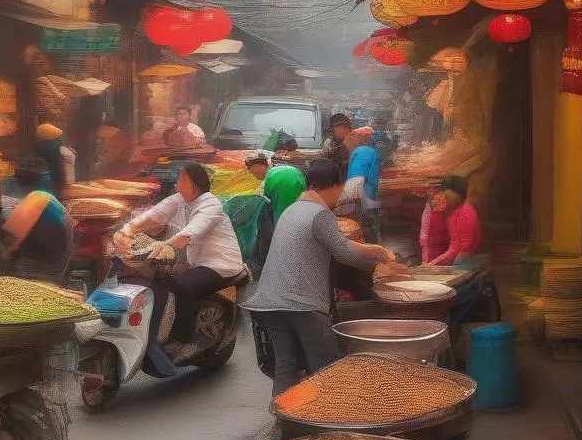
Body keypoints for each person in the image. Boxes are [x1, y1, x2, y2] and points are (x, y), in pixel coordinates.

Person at [244, 158, 402, 402]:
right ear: (334, 186)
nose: (339, 197)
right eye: (340, 191)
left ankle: (286, 421)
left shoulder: (292, 210)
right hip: (301, 303)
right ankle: (327, 421)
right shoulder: (320, 214)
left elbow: (340, 243)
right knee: (326, 366)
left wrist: (375, 251)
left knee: (286, 365)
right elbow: (344, 254)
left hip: (269, 300)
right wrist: (379, 266)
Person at [114, 162, 244, 377]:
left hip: (220, 264)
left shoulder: (210, 205)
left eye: (181, 178)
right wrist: (126, 230)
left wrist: (165, 245)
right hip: (195, 261)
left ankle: (184, 337)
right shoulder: (181, 200)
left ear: (193, 182)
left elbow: (190, 233)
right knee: (160, 280)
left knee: (180, 285)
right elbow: (154, 215)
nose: (176, 183)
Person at [0, 166, 73, 281]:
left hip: (44, 266)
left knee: (1, 271)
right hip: (58, 261)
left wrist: (1, 256)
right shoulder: (46, 197)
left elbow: (11, 238)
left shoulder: (36, 198)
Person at [334, 126, 382, 244]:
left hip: (362, 194)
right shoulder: (369, 151)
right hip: (366, 193)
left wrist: (346, 197)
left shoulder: (361, 151)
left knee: (364, 225)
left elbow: (356, 178)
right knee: (368, 222)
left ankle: (370, 248)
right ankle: (373, 246)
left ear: (362, 138)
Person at [425, 175, 482, 266]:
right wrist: (434, 263)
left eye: (445, 193)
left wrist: (454, 266)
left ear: (457, 195)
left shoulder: (466, 212)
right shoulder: (451, 215)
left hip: (472, 261)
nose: (442, 197)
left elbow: (467, 247)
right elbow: (454, 246)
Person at [35, 123, 76, 199]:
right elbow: (59, 169)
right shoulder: (58, 149)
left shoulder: (39, 148)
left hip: (53, 185)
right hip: (64, 186)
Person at [419, 181, 450, 264]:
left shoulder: (440, 202)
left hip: (435, 241)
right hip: (430, 241)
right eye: (428, 189)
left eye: (432, 189)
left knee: (433, 264)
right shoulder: (430, 203)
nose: (429, 191)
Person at [322, 113, 353, 178]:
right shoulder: (329, 143)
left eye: (348, 128)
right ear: (333, 129)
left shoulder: (352, 142)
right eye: (343, 128)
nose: (347, 131)